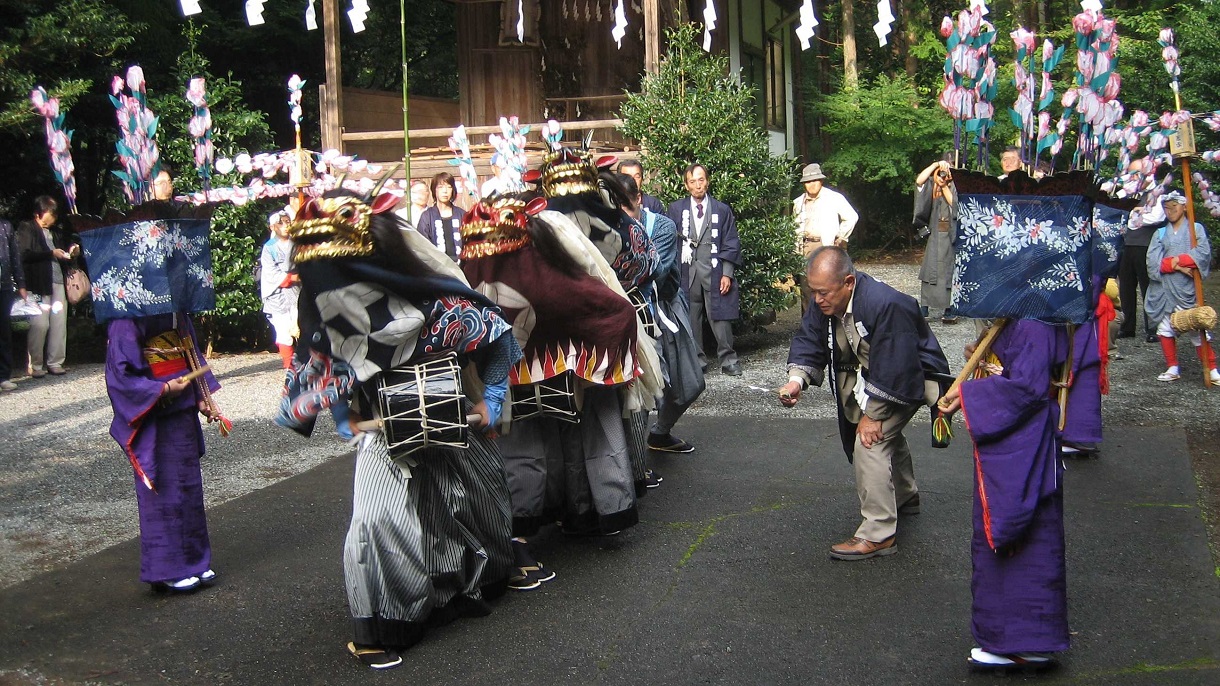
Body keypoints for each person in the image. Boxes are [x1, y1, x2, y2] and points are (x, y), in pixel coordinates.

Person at [279, 188, 520, 669]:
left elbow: (494, 333)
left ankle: (458, 586)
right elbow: (323, 359)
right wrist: (341, 412)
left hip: (451, 408)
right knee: (378, 517)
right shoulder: (328, 308)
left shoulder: (428, 297)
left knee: (468, 498)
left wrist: (493, 393)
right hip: (385, 423)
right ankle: (387, 620)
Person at [779, 247, 949, 560]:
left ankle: (878, 533)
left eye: (823, 292)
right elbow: (809, 339)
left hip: (911, 377)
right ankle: (905, 495)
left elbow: (897, 366)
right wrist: (796, 381)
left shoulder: (885, 303)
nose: (817, 299)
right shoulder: (825, 299)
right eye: (813, 291)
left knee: (870, 442)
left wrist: (873, 415)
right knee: (884, 435)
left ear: (848, 282)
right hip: (872, 374)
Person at [938, 319, 1070, 672]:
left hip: (1023, 440)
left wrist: (969, 394)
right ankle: (1027, 639)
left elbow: (1025, 388)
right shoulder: (1024, 318)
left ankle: (1018, 643)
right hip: (1024, 436)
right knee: (1029, 538)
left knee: (1015, 533)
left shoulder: (1032, 325)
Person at [106, 312, 221, 593]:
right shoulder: (125, 316)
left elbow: (190, 351)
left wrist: (203, 396)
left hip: (182, 409)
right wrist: (163, 388)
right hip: (154, 411)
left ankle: (195, 561)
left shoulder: (176, 310)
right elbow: (120, 374)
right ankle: (167, 568)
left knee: (189, 488)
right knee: (163, 488)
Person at [618, 174, 701, 454]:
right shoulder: (609, 227)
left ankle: (661, 432)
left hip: (664, 309)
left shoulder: (661, 226)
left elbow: (656, 273)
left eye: (628, 208)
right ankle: (635, 463)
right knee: (640, 389)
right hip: (628, 313)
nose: (624, 217)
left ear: (639, 199)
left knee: (689, 382)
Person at [666, 164, 743, 376]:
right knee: (691, 316)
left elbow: (731, 242)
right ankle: (697, 361)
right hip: (687, 270)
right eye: (692, 181)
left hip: (714, 270)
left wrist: (727, 273)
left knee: (720, 316)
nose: (698, 185)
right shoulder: (676, 209)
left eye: (701, 180)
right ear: (686, 185)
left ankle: (728, 359)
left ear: (707, 181)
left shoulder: (721, 210)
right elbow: (669, 242)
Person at [1145, 191, 1218, 383]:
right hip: (1164, 290)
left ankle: (1211, 368)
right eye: (1166, 208)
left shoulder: (1196, 229)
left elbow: (1202, 254)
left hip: (1187, 288)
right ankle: (1172, 367)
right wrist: (1176, 265)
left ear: (1184, 207)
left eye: (1174, 207)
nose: (1170, 211)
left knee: (1197, 327)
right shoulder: (1160, 233)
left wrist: (1176, 260)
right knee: (1165, 328)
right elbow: (1153, 263)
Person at [19, 196, 78, 377]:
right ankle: (36, 365)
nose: (52, 218)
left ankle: (55, 362)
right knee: (40, 324)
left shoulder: (56, 232)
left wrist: (72, 252)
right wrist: (50, 253)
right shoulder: (27, 228)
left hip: (58, 282)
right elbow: (24, 254)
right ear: (39, 213)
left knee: (59, 324)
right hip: (37, 284)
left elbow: (65, 250)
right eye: (49, 214)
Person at [1119, 159, 1166, 343]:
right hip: (1127, 244)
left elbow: (1156, 217)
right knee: (1126, 287)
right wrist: (1136, 212)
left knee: (1149, 286)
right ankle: (1127, 326)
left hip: (1147, 245)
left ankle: (1153, 328)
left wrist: (1134, 214)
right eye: (1131, 174)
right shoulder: (1130, 193)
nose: (1133, 178)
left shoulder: (1158, 192)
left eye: (1136, 174)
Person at [913, 157, 959, 324]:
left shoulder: (957, 185)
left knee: (949, 271)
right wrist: (935, 165)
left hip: (951, 234)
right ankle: (925, 306)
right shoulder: (934, 181)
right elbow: (919, 182)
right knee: (929, 270)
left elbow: (956, 205)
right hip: (935, 232)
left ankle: (949, 308)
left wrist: (945, 186)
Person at [0, 216, 28, 392]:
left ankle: (3, 376)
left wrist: (21, 284)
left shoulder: (5, 226)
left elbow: (15, 257)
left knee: (4, 332)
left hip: (4, 286)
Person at [416, 172, 466, 262]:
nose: (445, 191)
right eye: (440, 187)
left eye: (449, 187)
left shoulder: (462, 214)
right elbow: (423, 245)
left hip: (461, 266)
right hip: (436, 266)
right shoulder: (427, 216)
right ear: (434, 190)